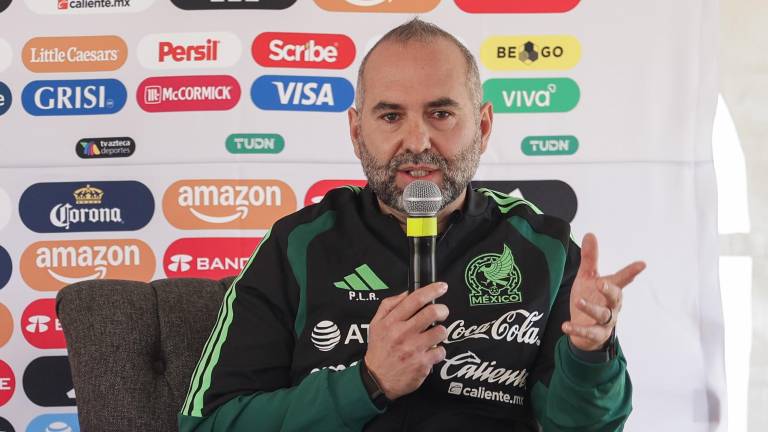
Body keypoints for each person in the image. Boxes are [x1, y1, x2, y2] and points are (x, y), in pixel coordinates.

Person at [179, 18, 646, 432]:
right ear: (357, 131)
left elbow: (581, 425)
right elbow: (211, 423)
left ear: (482, 127)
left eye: (440, 113)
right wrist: (367, 382)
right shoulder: (297, 244)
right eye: (391, 115)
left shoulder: (545, 246)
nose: (417, 141)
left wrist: (590, 354)